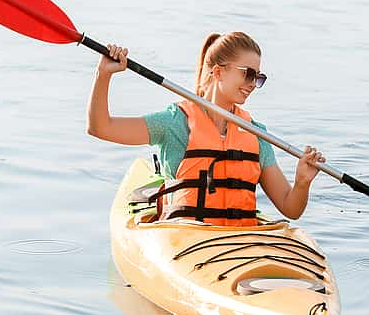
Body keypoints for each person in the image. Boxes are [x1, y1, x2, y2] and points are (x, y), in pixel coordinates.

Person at [87, 31, 325, 226]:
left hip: (240, 243)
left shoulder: (256, 134)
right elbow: (101, 127)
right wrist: (103, 75)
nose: (252, 84)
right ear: (218, 71)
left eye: (258, 78)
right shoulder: (174, 123)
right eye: (248, 75)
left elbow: (290, 208)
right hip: (183, 241)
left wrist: (302, 181)